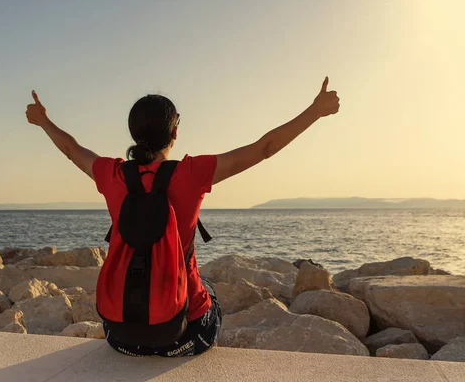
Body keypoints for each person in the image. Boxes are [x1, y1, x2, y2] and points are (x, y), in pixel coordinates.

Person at [25, 77, 340, 357]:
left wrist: (43, 121)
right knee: (209, 290)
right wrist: (315, 111)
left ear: (133, 134)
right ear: (174, 133)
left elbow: (71, 149)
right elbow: (264, 148)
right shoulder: (192, 173)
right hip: (184, 336)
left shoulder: (113, 174)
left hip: (119, 337)